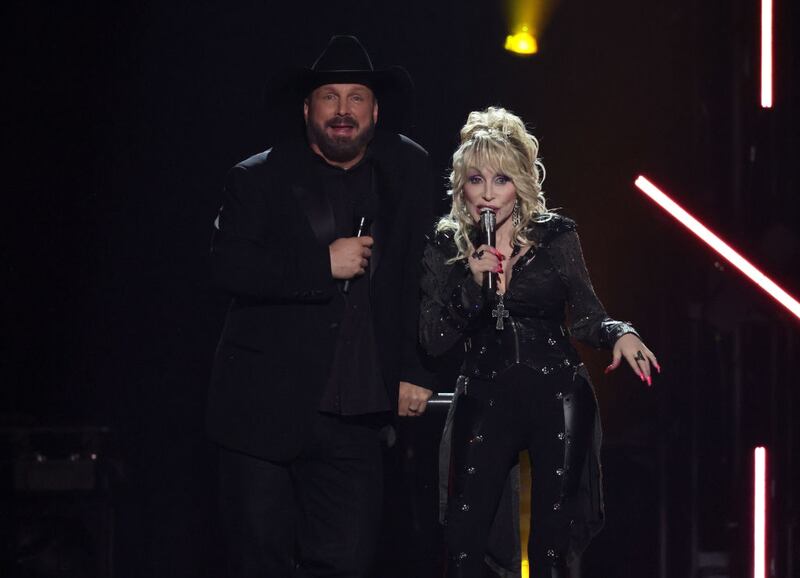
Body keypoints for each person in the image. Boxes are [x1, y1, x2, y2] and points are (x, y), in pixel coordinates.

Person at [207, 35, 435, 578]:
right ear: (307, 108)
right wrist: (321, 265)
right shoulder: (256, 176)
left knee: (346, 563)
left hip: (356, 415)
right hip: (262, 413)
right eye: (329, 97)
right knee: (260, 563)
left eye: (356, 97)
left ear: (375, 111)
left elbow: (419, 273)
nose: (342, 110)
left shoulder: (405, 170)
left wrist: (416, 368)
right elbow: (228, 269)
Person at [419, 107, 659, 578]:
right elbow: (433, 339)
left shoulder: (555, 236)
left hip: (557, 394)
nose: (488, 194)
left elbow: (588, 316)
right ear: (461, 186)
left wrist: (620, 332)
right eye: (476, 180)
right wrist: (472, 286)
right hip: (484, 394)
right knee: (463, 544)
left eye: (502, 179)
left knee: (551, 549)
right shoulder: (446, 245)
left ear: (521, 184)